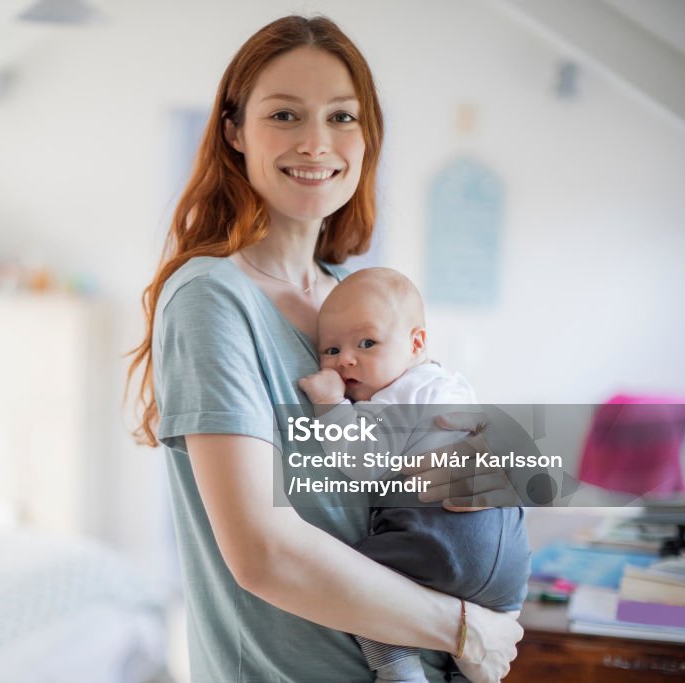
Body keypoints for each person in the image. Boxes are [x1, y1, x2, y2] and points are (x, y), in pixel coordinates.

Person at [127, 15, 523, 682]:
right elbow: (261, 553)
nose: (316, 142)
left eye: (342, 117)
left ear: (367, 137)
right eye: (285, 114)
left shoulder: (351, 298)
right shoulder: (212, 298)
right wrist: (463, 628)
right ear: (234, 131)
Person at [296, 267, 531, 683]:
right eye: (331, 350)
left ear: (416, 342)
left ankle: (397, 669)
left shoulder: (390, 400)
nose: (346, 359)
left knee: (356, 578)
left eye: (367, 343)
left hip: (444, 543)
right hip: (509, 561)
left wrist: (331, 405)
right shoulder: (447, 383)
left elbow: (362, 464)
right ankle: (471, 666)